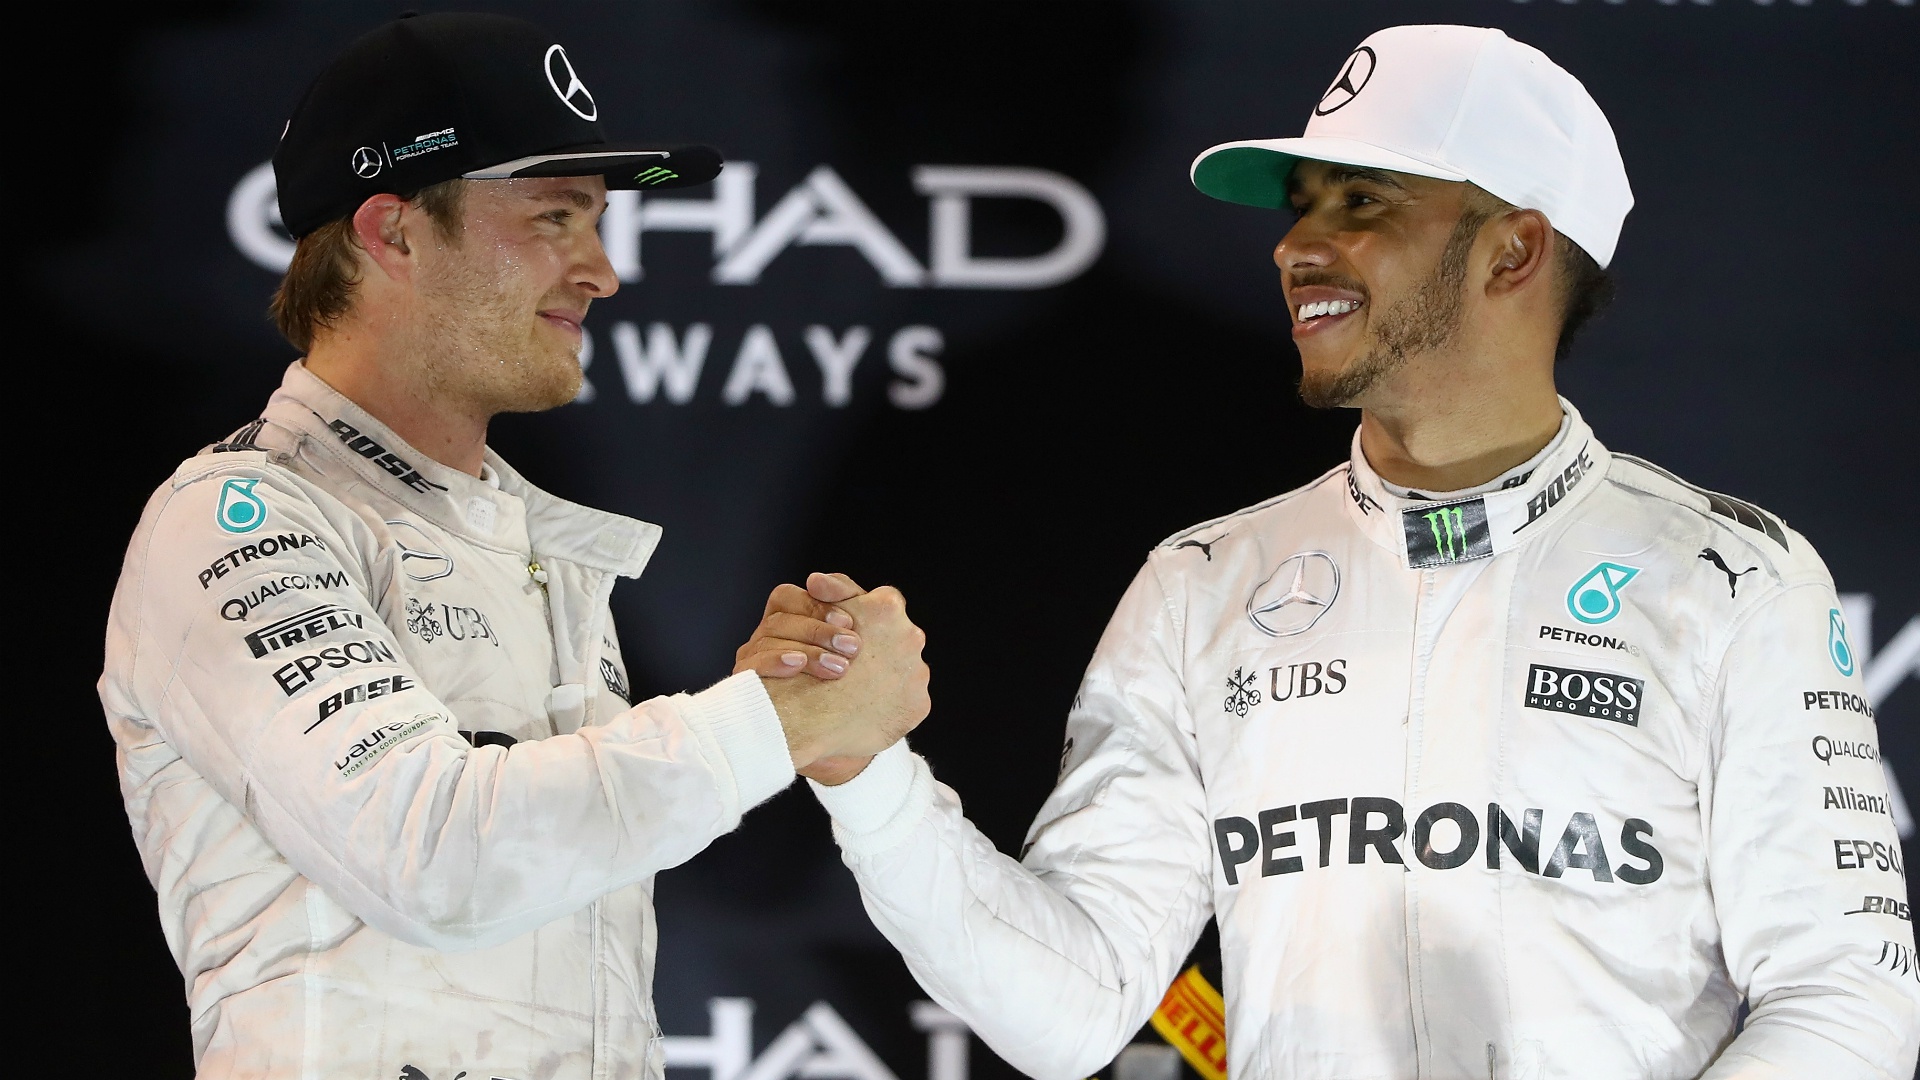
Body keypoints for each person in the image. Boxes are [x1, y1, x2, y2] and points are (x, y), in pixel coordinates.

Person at [796, 24, 1920, 1080]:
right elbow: (1072, 1007)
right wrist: (869, 779)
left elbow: (1845, 998)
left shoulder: (1731, 581)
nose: (1294, 246)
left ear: (1514, 249)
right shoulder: (1202, 584)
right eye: (1301, 208)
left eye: (1362, 201)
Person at [98, 13, 928, 1079]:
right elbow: (437, 863)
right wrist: (774, 720)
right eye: (553, 218)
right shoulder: (237, 517)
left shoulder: (533, 544)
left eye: (597, 224)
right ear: (394, 233)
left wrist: (772, 703)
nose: (602, 272)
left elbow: (553, 864)